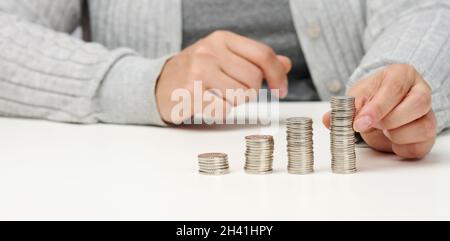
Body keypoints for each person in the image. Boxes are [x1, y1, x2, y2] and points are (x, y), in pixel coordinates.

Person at [0, 0, 449, 159]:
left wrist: (398, 85)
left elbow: (425, 12)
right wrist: (145, 82)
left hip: (365, 172)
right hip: (145, 171)